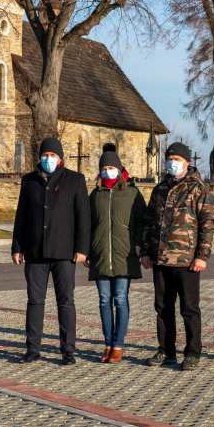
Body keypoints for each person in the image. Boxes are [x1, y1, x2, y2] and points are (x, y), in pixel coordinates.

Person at [12, 136, 90, 365]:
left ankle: (68, 351)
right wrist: (17, 246)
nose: (48, 159)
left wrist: (82, 248)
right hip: (35, 252)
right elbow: (21, 216)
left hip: (64, 252)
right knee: (35, 301)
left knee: (65, 301)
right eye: (45, 155)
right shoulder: (29, 181)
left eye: (52, 155)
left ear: (60, 159)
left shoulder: (75, 180)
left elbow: (83, 218)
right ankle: (32, 349)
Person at [142, 142, 214, 371]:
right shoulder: (159, 189)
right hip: (161, 260)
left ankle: (193, 352)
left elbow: (208, 224)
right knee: (163, 307)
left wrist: (202, 256)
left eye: (177, 159)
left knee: (189, 308)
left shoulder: (198, 189)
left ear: (187, 162)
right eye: (169, 158)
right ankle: (166, 350)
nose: (172, 163)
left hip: (187, 261)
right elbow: (149, 222)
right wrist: (146, 251)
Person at [88, 149, 146, 363]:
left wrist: (139, 244)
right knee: (104, 300)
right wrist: (87, 250)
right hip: (101, 254)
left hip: (124, 254)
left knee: (120, 299)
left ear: (120, 170)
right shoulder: (95, 195)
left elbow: (142, 221)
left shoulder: (132, 193)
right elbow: (88, 225)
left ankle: (119, 345)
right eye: (104, 169)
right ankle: (107, 343)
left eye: (111, 168)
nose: (107, 172)